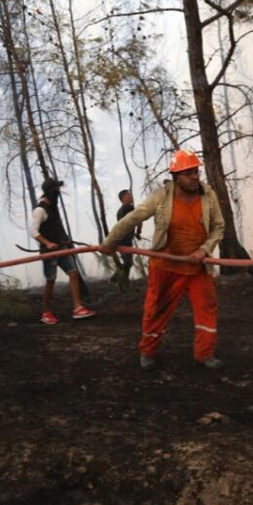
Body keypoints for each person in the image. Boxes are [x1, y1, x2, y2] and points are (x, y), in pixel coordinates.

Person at [100, 150, 225, 371]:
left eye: (196, 171)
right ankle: (148, 352)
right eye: (188, 173)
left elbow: (218, 227)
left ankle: (204, 354)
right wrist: (110, 241)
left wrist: (204, 250)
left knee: (207, 307)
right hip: (166, 266)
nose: (195, 177)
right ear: (176, 176)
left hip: (197, 267)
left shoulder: (209, 195)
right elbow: (133, 217)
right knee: (155, 309)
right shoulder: (161, 197)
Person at [32, 178, 95, 325]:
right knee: (51, 280)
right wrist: (47, 243)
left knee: (73, 273)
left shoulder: (53, 208)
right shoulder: (40, 210)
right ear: (50, 192)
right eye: (56, 190)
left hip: (62, 249)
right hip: (50, 253)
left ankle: (77, 308)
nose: (58, 193)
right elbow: (33, 231)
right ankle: (46, 313)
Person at [114, 189, 143, 282]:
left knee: (127, 262)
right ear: (123, 198)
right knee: (128, 262)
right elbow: (139, 221)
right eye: (128, 194)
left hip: (120, 239)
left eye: (130, 194)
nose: (131, 196)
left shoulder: (119, 211)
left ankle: (121, 280)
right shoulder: (129, 207)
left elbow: (125, 224)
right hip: (125, 240)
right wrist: (138, 233)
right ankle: (118, 279)